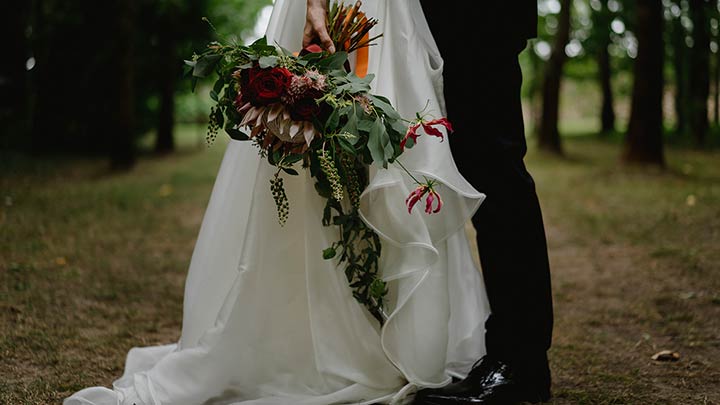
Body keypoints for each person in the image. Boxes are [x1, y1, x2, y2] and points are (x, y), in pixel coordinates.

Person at [64, 1, 493, 404]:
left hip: (389, 14)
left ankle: (388, 326)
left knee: (386, 152)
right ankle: (324, 336)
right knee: (318, 154)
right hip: (344, 8)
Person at [408, 1, 556, 404]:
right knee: (484, 171)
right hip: (445, 23)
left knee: (496, 172)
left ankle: (521, 364)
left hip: (478, 15)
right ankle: (507, 354)